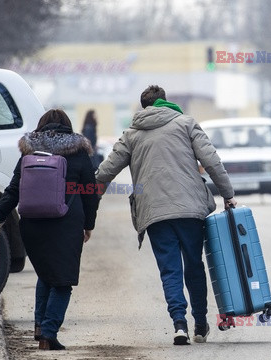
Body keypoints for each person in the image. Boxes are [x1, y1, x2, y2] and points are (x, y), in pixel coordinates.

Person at [95, 85, 237, 346]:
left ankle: (179, 324)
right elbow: (212, 160)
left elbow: (105, 172)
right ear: (165, 102)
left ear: (143, 107)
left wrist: (86, 198)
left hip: (154, 213)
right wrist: (227, 194)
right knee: (194, 265)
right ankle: (200, 324)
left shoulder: (131, 134)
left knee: (169, 269)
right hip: (190, 210)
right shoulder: (186, 124)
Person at [0, 109, 99, 351]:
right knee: (62, 282)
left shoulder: (29, 152)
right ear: (67, 127)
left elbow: (13, 189)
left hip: (32, 225)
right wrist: (88, 224)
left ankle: (39, 326)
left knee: (46, 275)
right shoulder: (78, 152)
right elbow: (91, 193)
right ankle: (48, 334)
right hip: (66, 224)